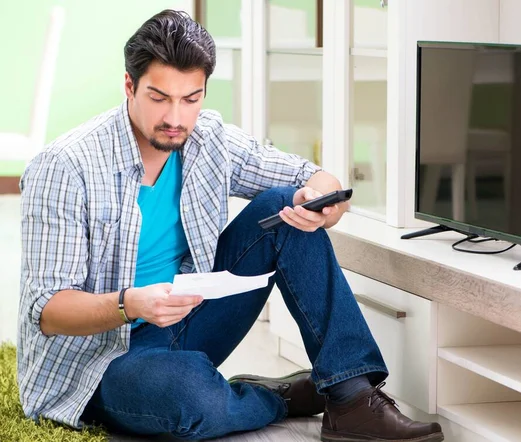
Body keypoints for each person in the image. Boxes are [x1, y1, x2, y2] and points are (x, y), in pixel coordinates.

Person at [17, 9, 444, 442]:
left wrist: (324, 202)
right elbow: (49, 312)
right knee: (189, 396)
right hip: (98, 362)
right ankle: (277, 396)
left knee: (285, 209)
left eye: (191, 99)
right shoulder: (65, 167)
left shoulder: (208, 139)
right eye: (159, 97)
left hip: (185, 321)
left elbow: (310, 177)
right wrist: (132, 303)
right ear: (129, 86)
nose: (176, 118)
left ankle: (352, 397)